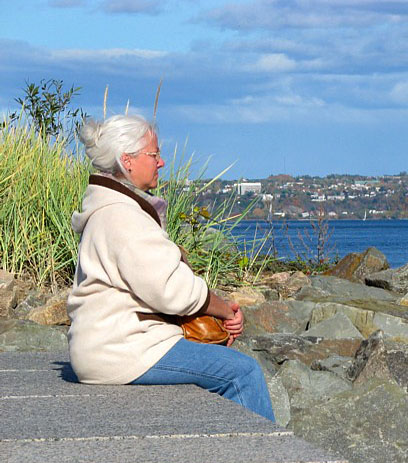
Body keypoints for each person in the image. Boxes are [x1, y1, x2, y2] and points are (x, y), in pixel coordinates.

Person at [67, 114, 274, 421]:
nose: (161, 162)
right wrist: (224, 311)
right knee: (242, 372)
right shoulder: (122, 217)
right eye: (154, 154)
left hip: (108, 344)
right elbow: (171, 290)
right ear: (127, 160)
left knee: (222, 364)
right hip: (120, 350)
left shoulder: (109, 209)